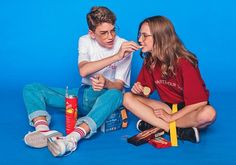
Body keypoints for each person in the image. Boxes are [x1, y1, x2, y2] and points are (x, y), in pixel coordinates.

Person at [23, 6, 140, 157]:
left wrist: (106, 83)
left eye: (113, 30)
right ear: (91, 33)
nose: (110, 36)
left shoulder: (123, 45)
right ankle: (42, 129)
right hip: (81, 95)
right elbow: (83, 70)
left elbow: (118, 85)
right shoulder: (84, 40)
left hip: (105, 100)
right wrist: (116, 56)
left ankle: (72, 139)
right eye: (103, 33)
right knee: (31, 88)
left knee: (117, 95)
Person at [123, 16, 216, 143]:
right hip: (167, 107)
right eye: (139, 35)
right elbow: (145, 92)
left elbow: (200, 102)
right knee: (127, 97)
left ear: (160, 37)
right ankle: (177, 131)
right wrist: (139, 91)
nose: (140, 40)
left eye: (145, 36)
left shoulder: (184, 62)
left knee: (208, 114)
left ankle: (154, 123)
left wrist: (172, 117)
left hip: (189, 111)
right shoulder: (149, 61)